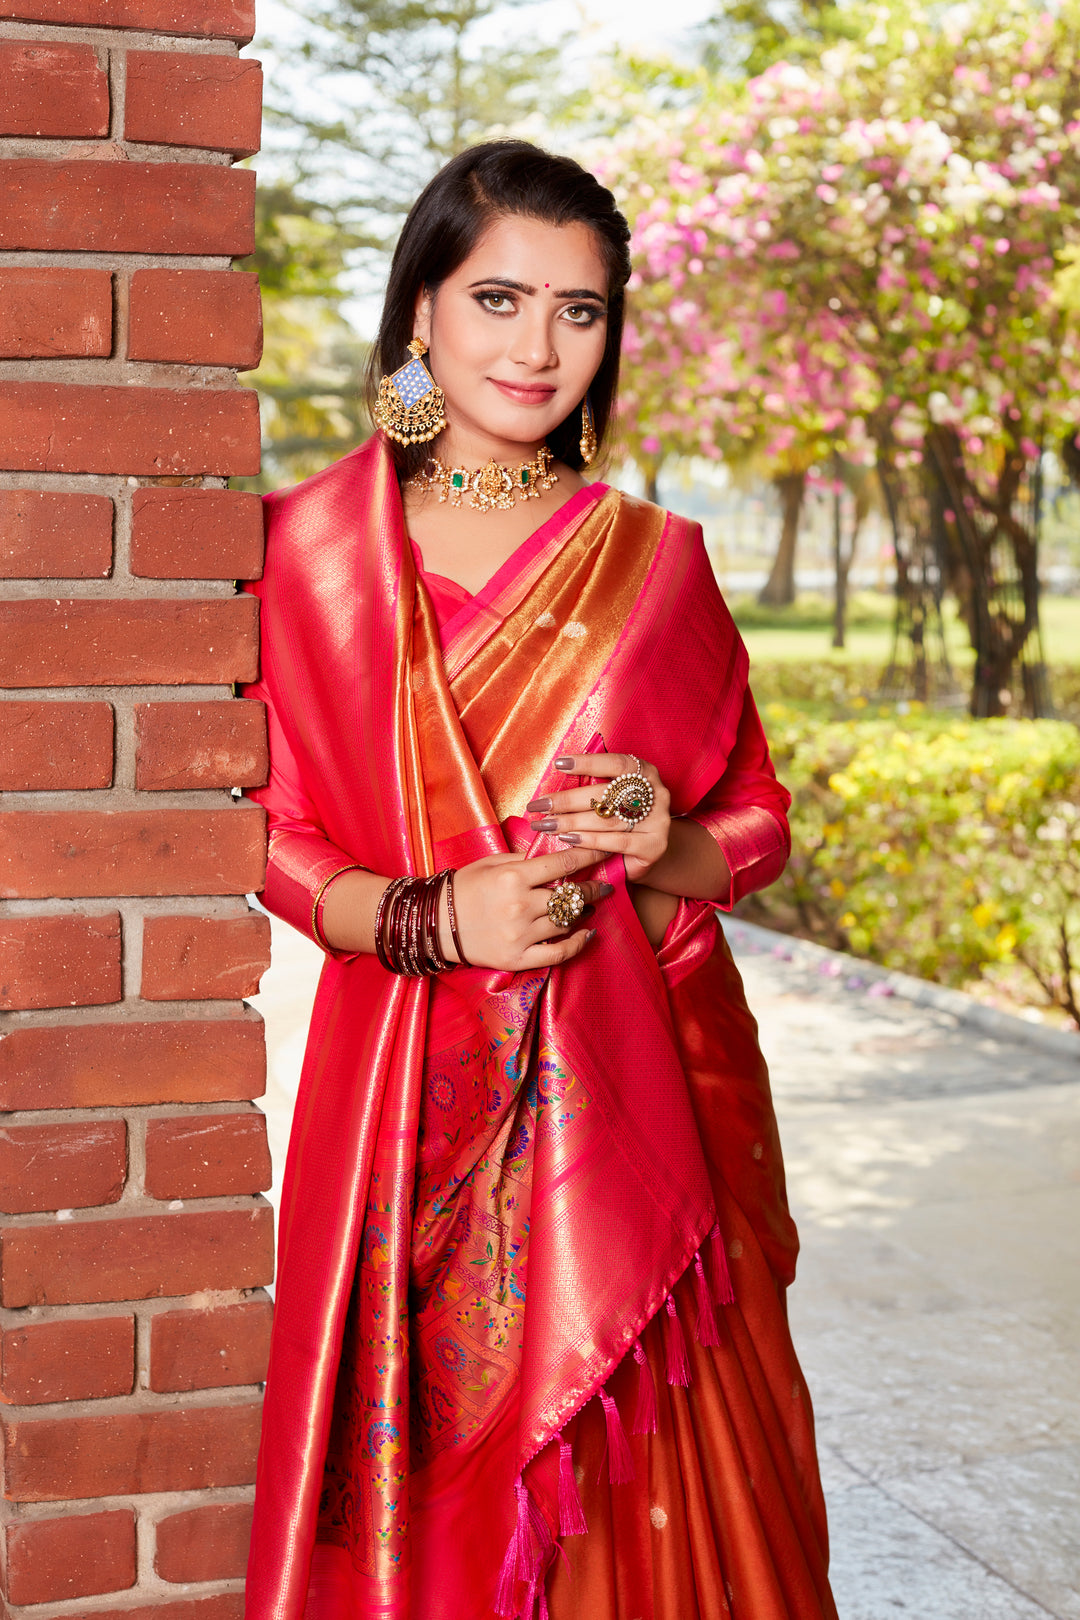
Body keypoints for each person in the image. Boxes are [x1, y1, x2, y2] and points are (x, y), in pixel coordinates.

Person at [241, 139, 837, 1620]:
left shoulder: (656, 560)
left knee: (649, 1517)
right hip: (404, 1103)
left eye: (581, 311)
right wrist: (429, 916)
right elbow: (260, 820)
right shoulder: (308, 555)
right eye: (498, 298)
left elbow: (757, 819)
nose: (539, 345)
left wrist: (667, 842)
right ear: (421, 315)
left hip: (635, 1103)